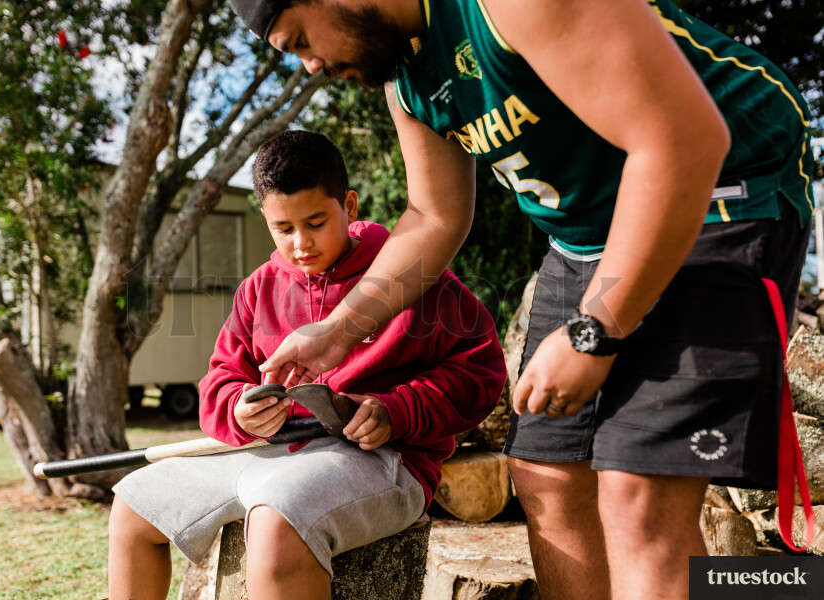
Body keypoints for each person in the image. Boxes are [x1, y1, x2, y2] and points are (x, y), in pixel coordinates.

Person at [227, 1, 816, 599]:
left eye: (300, 38)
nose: (310, 65)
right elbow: (435, 215)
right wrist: (337, 331)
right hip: (584, 238)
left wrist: (596, 331)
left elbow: (683, 140)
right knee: (550, 474)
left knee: (639, 494)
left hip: (717, 195)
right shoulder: (405, 78)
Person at [106, 130, 506, 600]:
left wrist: (396, 410)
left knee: (277, 520)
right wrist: (239, 410)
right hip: (267, 453)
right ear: (265, 219)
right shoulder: (258, 289)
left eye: (316, 222)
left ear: (350, 206)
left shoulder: (409, 273)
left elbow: (481, 371)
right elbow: (218, 381)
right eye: (283, 228)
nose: (301, 243)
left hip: (386, 461)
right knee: (134, 504)